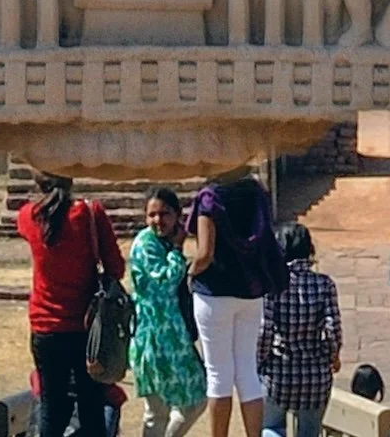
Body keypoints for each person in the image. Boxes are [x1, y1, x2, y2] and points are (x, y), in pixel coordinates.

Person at [20, 172, 126, 437]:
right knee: (92, 406)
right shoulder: (90, 214)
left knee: (51, 408)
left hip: (45, 327)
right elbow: (116, 268)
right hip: (88, 328)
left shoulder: (28, 216)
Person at [187, 170, 288, 436]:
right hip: (250, 291)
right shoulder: (255, 192)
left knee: (219, 375)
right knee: (247, 371)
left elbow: (205, 253)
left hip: (214, 294)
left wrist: (190, 272)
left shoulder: (210, 197)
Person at [130, 188, 208, 437]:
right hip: (153, 342)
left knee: (195, 399)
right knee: (157, 412)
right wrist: (177, 250)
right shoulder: (146, 245)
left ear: (177, 216)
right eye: (152, 215)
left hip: (174, 340)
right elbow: (164, 283)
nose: (158, 220)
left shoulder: (163, 244)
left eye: (164, 214)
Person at [258, 223, 341, 437]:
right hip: (315, 373)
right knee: (310, 431)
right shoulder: (325, 284)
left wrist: (260, 360)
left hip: (280, 371)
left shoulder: (272, 284)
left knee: (271, 427)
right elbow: (333, 329)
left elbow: (265, 329)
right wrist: (333, 356)